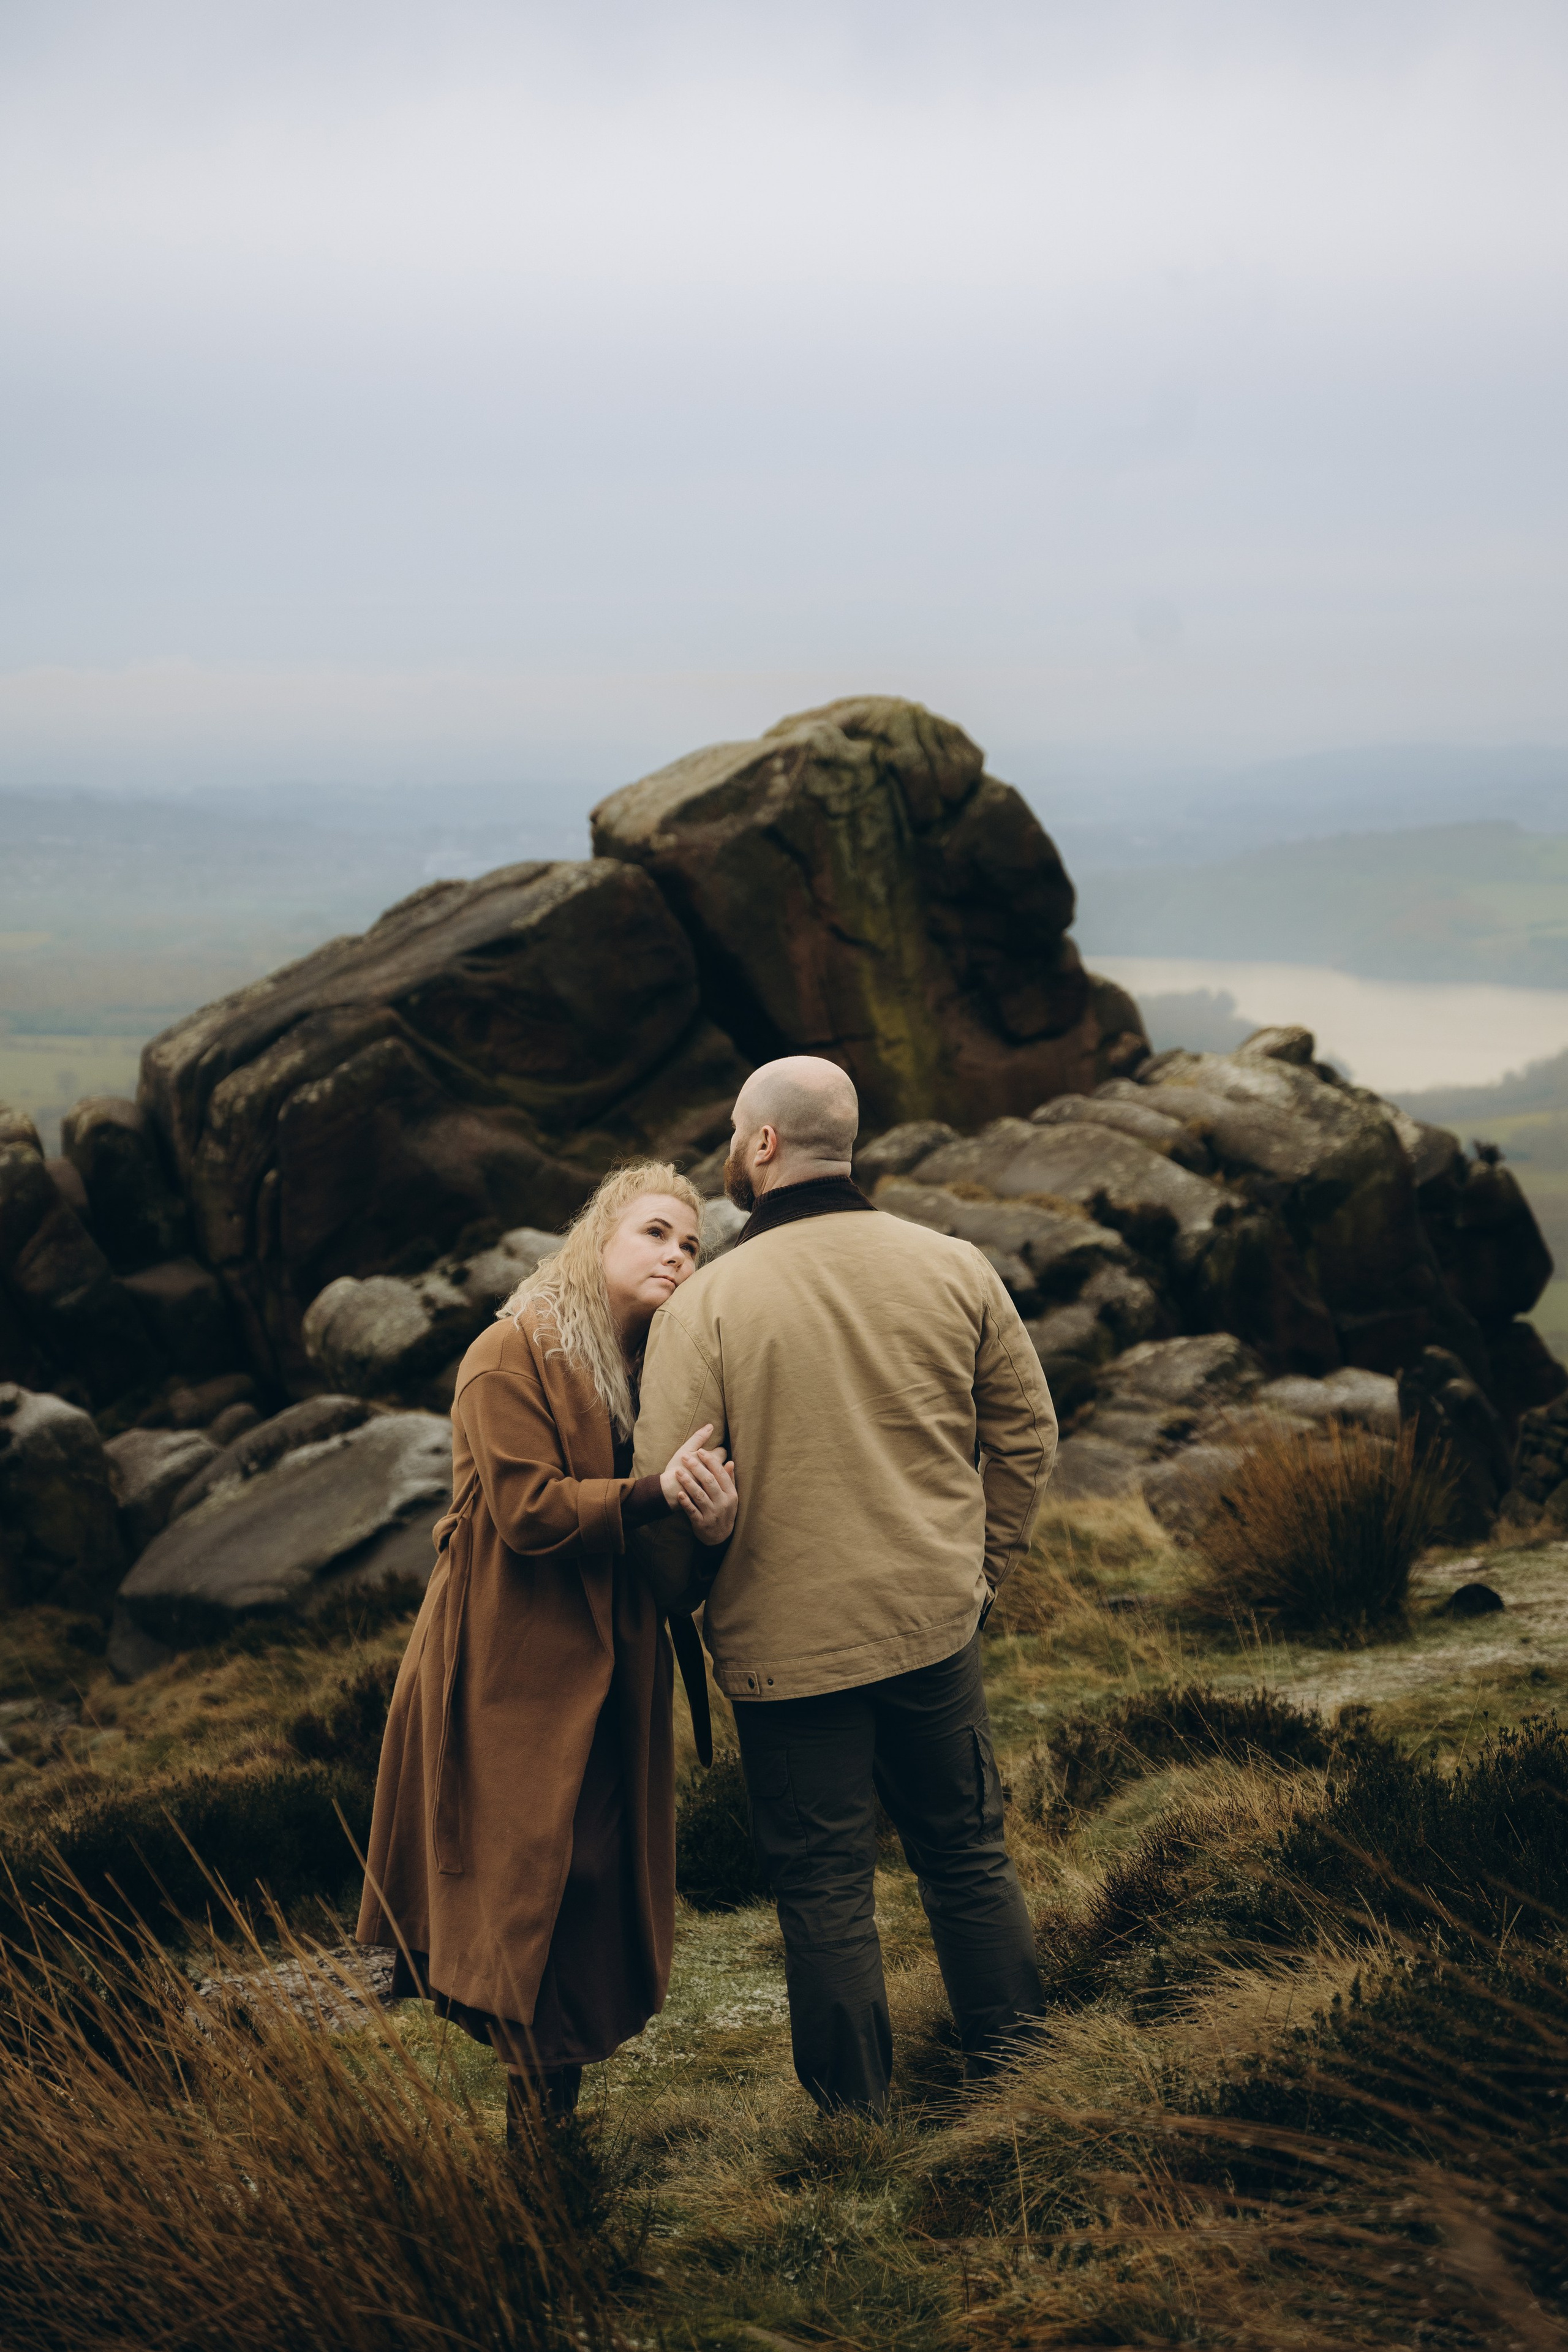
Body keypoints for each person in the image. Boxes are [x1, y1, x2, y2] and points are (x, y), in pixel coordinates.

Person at [631, 1058, 1057, 2116]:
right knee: (965, 1858)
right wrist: (983, 1570)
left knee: (825, 1891)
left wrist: (685, 1589)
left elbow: (667, 1508)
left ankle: (854, 2134)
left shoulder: (707, 1306)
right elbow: (1028, 1433)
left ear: (764, 1146)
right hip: (931, 1625)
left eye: (736, 1131)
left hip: (788, 1659)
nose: (731, 1149)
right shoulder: (953, 1265)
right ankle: (1028, 2095)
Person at [356, 1162, 737, 2133]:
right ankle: (537, 2166)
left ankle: (545, 2142)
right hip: (507, 1664)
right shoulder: (508, 1351)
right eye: (656, 1233)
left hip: (614, 1665)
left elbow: (668, 1553)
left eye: (691, 1245)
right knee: (530, 1881)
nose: (677, 1256)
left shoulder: (660, 1371)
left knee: (590, 1882)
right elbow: (527, 1515)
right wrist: (660, 1494)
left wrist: (711, 1524)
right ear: (599, 1237)